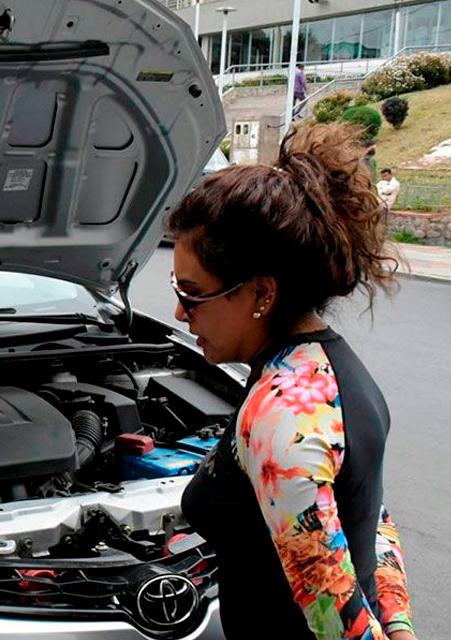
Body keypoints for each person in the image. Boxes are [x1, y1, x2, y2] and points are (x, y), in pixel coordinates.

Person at [170, 125, 417, 640]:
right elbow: (372, 516)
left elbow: (337, 626)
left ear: (261, 292)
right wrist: (397, 624)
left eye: (192, 293)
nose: (179, 312)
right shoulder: (329, 373)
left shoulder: (284, 412)